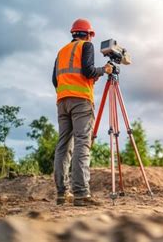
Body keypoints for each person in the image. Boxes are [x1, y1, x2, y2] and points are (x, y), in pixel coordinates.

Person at [52, 18, 113, 206]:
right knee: (81, 144)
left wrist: (70, 89)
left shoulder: (61, 51)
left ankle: (62, 193)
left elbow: (55, 80)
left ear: (73, 33)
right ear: (88, 34)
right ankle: (81, 193)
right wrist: (104, 70)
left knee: (63, 146)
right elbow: (87, 71)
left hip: (62, 101)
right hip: (81, 102)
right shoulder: (86, 46)